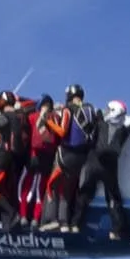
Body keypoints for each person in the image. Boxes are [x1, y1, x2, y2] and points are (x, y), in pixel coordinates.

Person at [84, 98, 130, 240]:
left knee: (84, 194)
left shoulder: (100, 124)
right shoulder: (123, 130)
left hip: (95, 165)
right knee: (113, 199)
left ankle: (75, 222)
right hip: (110, 168)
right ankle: (118, 230)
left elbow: (93, 122)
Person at [52, 83, 97, 232]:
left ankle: (63, 222)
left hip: (68, 155)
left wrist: (48, 122)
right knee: (73, 189)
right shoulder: (91, 109)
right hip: (83, 157)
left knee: (61, 190)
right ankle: (74, 222)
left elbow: (61, 132)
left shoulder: (67, 110)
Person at [0, 93, 33, 232]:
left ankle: (13, 215)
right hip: (13, 157)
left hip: (3, 156)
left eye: (0, 100)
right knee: (5, 188)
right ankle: (8, 220)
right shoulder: (21, 116)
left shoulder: (4, 117)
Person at [22, 95, 60, 228]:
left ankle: (23, 216)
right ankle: (35, 219)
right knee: (40, 189)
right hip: (47, 159)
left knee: (26, 186)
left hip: (33, 156)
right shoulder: (56, 118)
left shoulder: (33, 117)